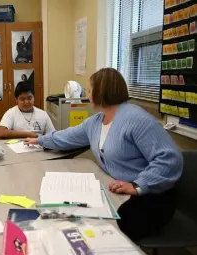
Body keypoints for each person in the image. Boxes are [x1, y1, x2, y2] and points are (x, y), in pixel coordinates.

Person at [25, 68, 183, 241]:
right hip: (120, 194)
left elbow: (170, 159)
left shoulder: (136, 119)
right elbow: (68, 136)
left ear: (102, 91)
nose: (88, 95)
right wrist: (39, 140)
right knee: (71, 214)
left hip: (150, 200)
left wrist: (137, 185)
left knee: (91, 227)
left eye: (91, 90)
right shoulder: (97, 121)